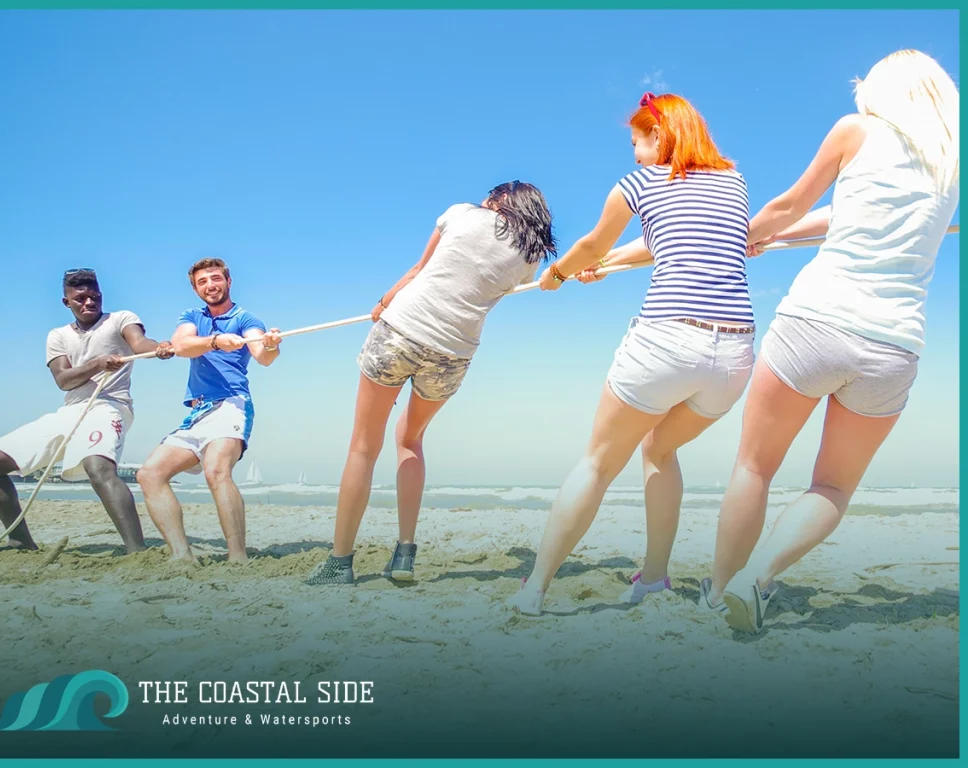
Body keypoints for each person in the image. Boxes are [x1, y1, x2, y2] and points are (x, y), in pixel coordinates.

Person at [704, 50, 960, 633]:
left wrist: (749, 234)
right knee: (833, 486)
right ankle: (758, 577)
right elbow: (832, 215)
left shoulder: (856, 131)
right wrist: (775, 236)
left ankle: (717, 591)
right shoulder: (947, 167)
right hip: (894, 348)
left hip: (816, 322)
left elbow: (792, 203)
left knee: (754, 467)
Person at [509, 92, 756, 616]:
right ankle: (655, 578)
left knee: (598, 462)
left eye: (636, 143)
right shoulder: (734, 182)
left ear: (658, 135)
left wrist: (559, 274)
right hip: (733, 355)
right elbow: (667, 240)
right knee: (659, 449)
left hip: (666, 340)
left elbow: (593, 243)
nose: (634, 155)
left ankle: (534, 590)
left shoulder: (638, 184)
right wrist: (608, 263)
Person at [306, 181, 557, 586]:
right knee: (410, 440)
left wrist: (384, 301)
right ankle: (405, 553)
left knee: (363, 446)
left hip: (401, 330)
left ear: (498, 199)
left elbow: (419, 270)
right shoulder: (530, 256)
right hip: (452, 353)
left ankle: (340, 562)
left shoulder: (461, 213)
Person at [0, 268, 174, 552]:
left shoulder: (120, 319)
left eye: (94, 297)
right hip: (71, 410)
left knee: (97, 466)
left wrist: (160, 347)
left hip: (110, 405)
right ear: (67, 302)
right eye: (81, 298)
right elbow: (64, 380)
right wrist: (97, 363)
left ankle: (136, 550)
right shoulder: (57, 335)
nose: (89, 303)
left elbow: (140, 343)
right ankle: (21, 541)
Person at [136, 258, 282, 563]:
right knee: (149, 474)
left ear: (228, 281)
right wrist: (215, 341)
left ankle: (238, 556)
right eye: (202, 282)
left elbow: (263, 356)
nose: (210, 286)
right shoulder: (192, 316)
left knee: (216, 470)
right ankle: (181, 554)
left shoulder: (245, 319)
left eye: (216, 279)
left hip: (232, 404)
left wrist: (270, 345)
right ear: (195, 288)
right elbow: (180, 346)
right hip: (198, 412)